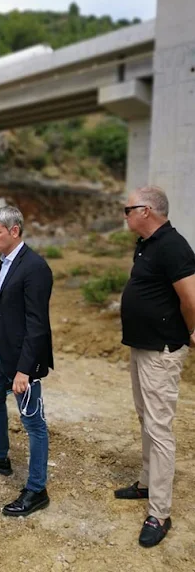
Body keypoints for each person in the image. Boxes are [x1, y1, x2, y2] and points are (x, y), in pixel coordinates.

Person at [116, 186, 195, 547]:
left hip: (161, 351)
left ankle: (160, 513)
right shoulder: (147, 244)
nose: (125, 215)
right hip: (142, 346)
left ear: (146, 211)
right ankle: (147, 483)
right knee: (144, 418)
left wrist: (191, 331)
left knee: (159, 427)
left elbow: (190, 298)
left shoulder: (173, 246)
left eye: (128, 209)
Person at [0, 206, 54, 517]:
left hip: (22, 359)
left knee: (33, 421)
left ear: (15, 231)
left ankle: (37, 489)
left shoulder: (35, 268)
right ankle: (0, 456)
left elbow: (37, 324)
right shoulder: (5, 261)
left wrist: (25, 370)